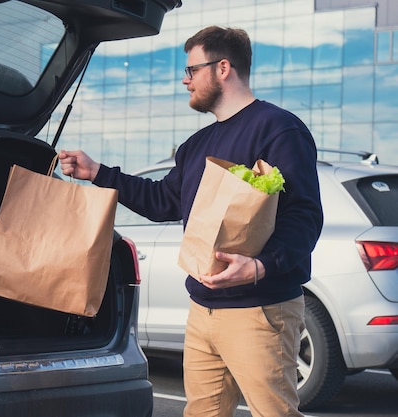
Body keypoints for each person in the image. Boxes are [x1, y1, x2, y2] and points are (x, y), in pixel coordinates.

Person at [59, 26, 323, 416]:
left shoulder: (278, 129)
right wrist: (98, 172)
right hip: (203, 308)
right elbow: (163, 200)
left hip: (260, 309)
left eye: (191, 70)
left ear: (223, 68)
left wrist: (259, 266)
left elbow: (304, 214)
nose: (185, 80)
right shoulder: (196, 146)